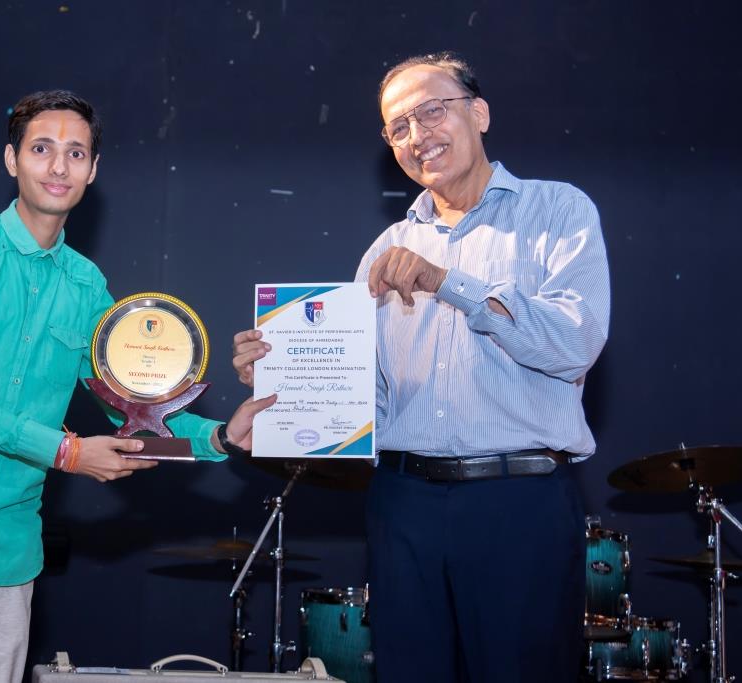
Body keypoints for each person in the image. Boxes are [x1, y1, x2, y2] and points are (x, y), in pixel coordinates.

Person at [0, 90, 275, 683]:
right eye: (41, 149)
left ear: (92, 170)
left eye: (76, 153)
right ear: (11, 159)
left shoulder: (87, 286)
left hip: (7, 541)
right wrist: (65, 452)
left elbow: (129, 406)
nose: (59, 166)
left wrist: (220, 436)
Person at [232, 52, 609, 682]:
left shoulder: (558, 212)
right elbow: (368, 402)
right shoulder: (385, 250)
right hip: (403, 505)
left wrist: (447, 282)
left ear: (479, 113)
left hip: (518, 502)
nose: (417, 135)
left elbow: (575, 343)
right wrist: (285, 379)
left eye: (432, 111)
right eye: (398, 126)